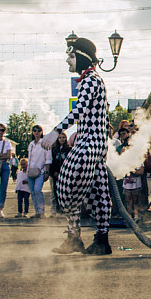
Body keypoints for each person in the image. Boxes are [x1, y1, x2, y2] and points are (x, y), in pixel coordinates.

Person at [41, 37, 112, 255]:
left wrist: (56, 131)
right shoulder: (89, 80)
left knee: (66, 184)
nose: (67, 61)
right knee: (100, 192)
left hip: (91, 142)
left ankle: (75, 236)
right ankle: (101, 240)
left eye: (71, 56)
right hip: (94, 142)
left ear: (81, 57)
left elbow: (79, 110)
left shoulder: (91, 80)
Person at [27, 124, 51, 219]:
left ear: (41, 132)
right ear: (32, 133)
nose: (36, 132)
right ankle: (37, 212)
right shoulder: (31, 144)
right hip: (31, 171)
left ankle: (41, 212)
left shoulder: (45, 143)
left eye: (38, 131)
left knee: (37, 190)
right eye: (35, 131)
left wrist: (47, 171)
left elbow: (48, 158)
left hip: (41, 171)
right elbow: (29, 158)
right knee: (32, 192)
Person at [49, 132, 71, 217]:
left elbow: (69, 163)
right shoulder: (54, 150)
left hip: (65, 174)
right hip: (55, 174)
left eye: (63, 137)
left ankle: (64, 210)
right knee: (54, 193)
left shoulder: (69, 149)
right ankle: (54, 211)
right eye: (60, 137)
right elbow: (51, 162)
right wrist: (54, 172)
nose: (62, 139)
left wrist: (64, 173)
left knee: (65, 192)